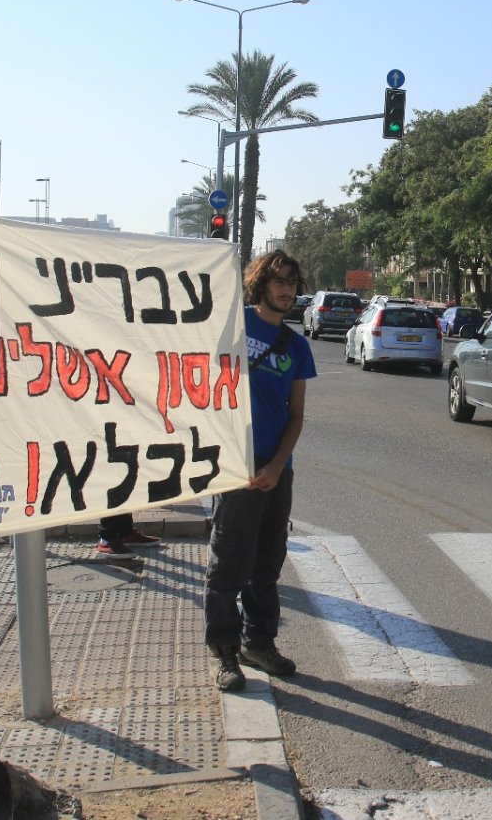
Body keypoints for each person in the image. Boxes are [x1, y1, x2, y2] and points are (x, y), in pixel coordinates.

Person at [203, 249, 316, 692]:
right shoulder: (232, 326)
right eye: (279, 281)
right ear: (261, 284)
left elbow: (297, 415)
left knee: (267, 563)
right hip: (234, 468)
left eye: (292, 282)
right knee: (229, 562)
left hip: (275, 470)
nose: (287, 289)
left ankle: (259, 644)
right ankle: (224, 653)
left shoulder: (297, 346)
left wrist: (275, 465)